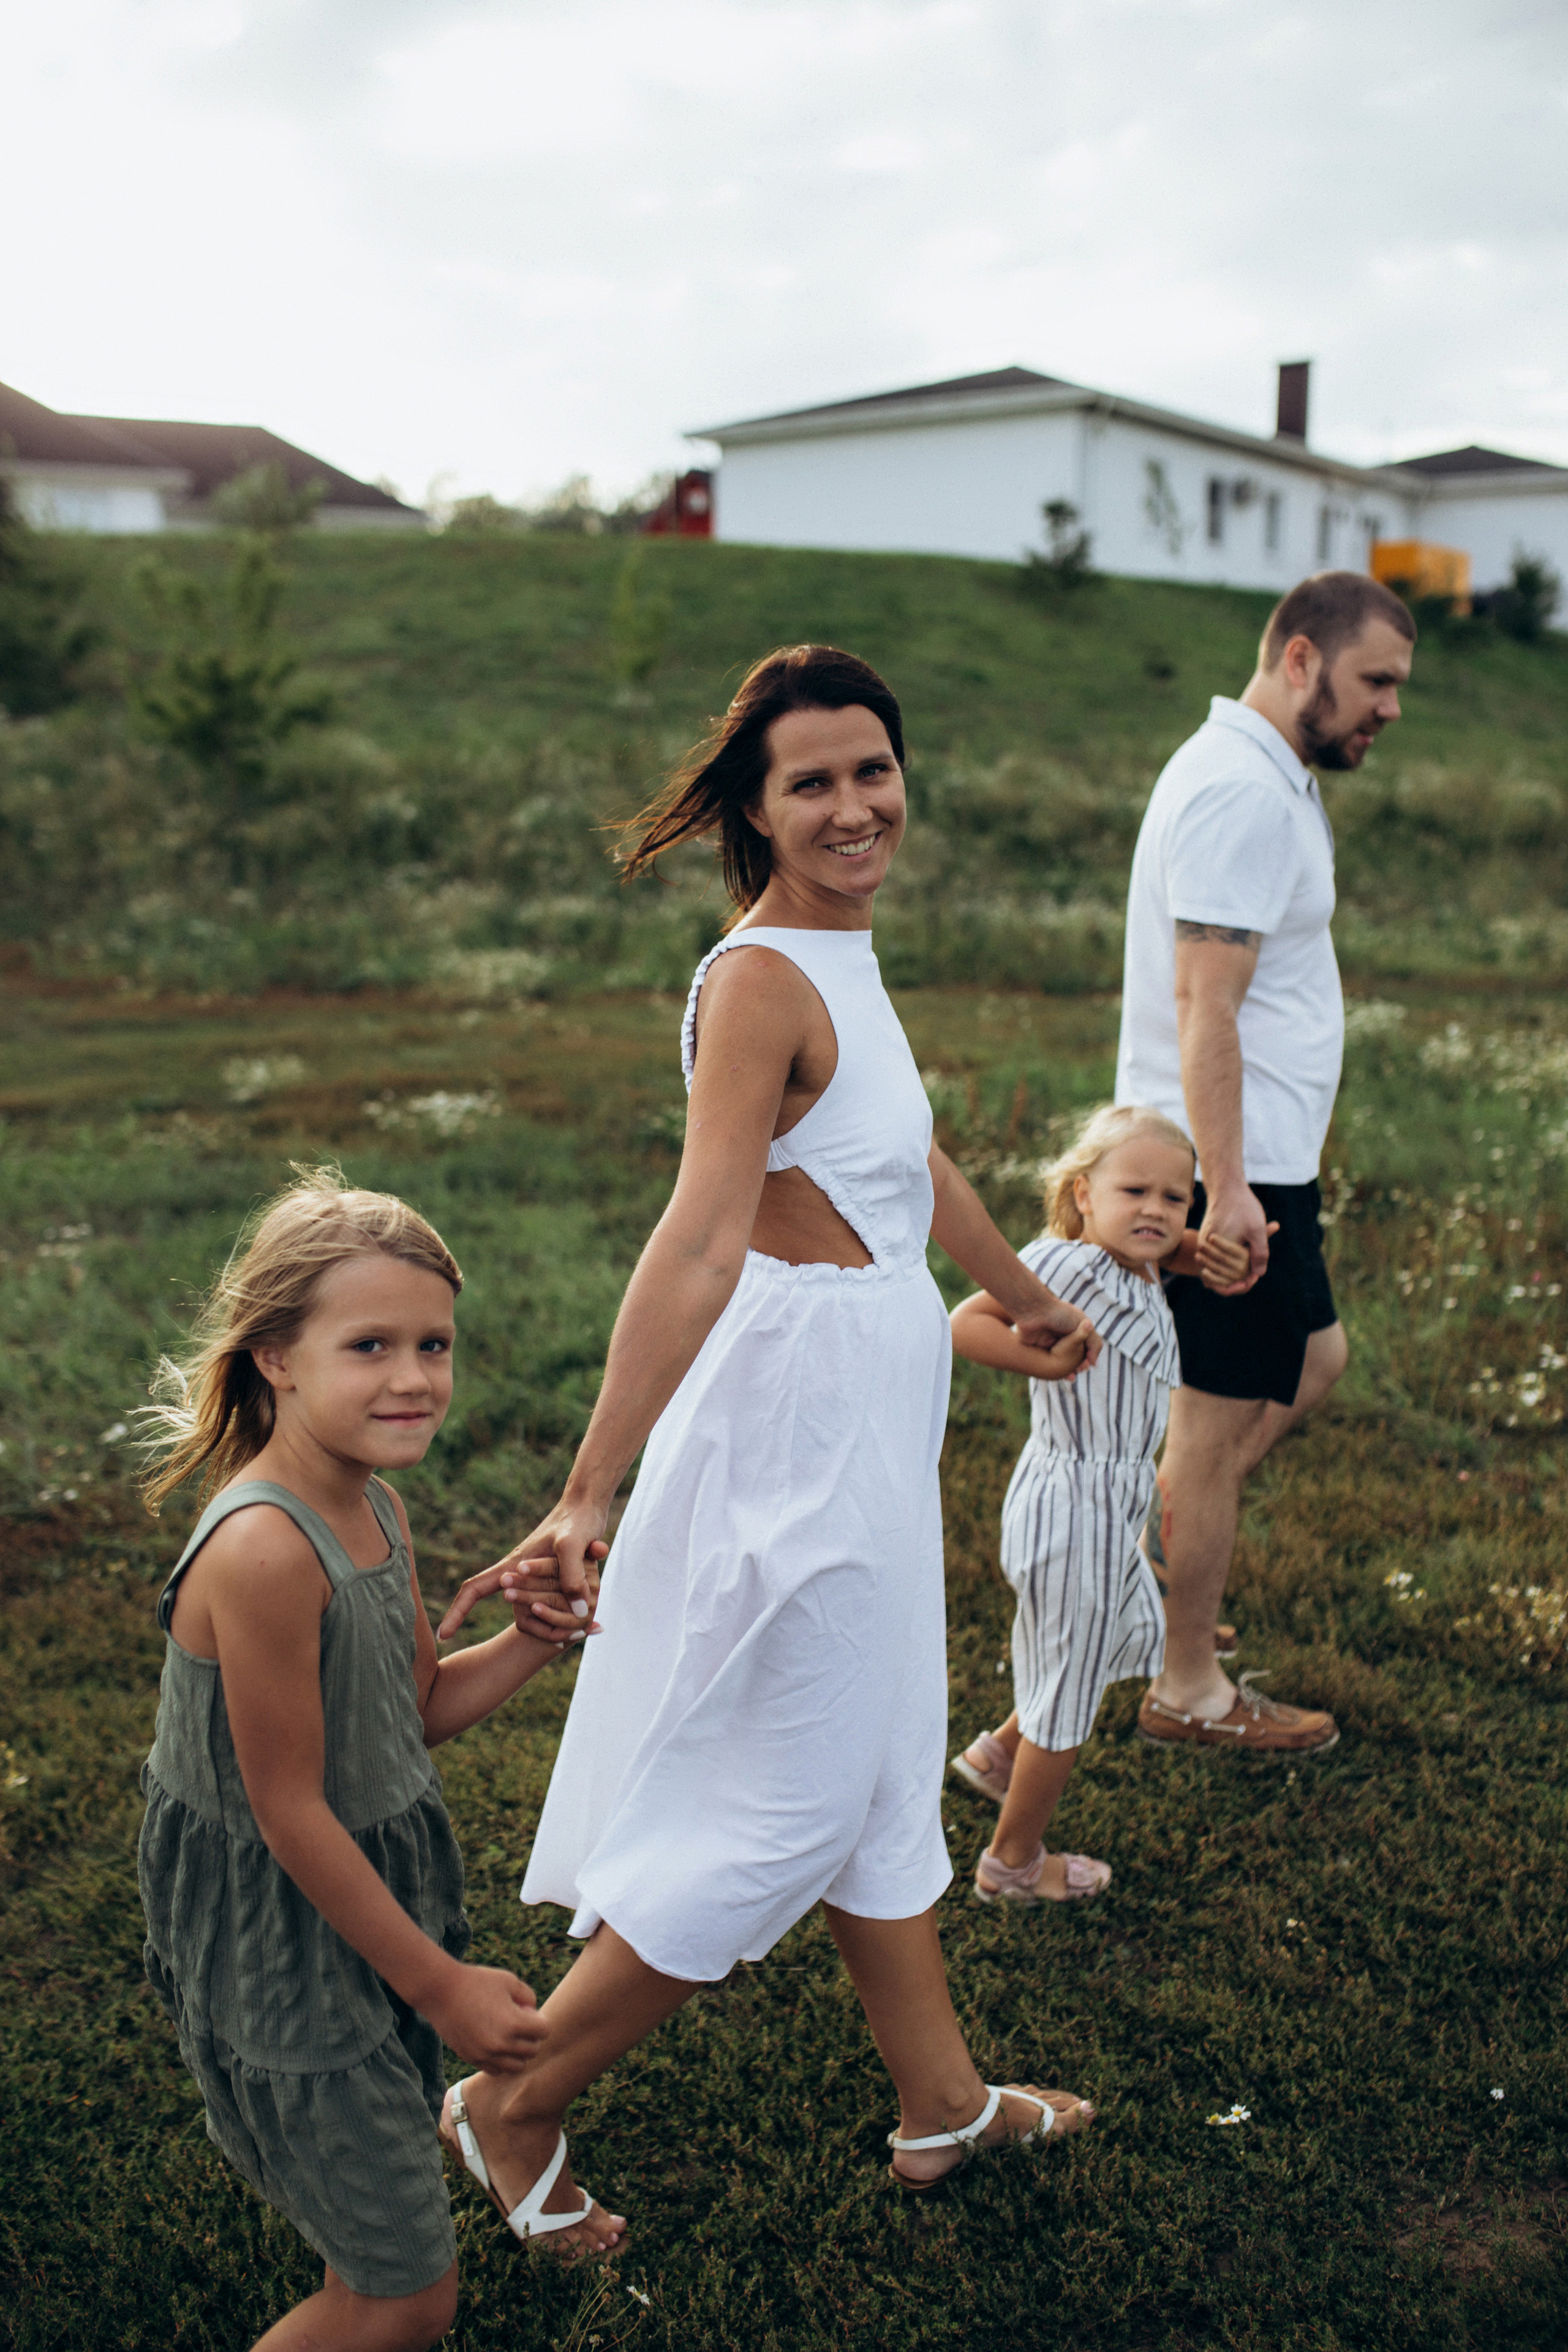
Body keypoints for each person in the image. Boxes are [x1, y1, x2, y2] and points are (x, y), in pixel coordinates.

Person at [436, 644, 1100, 2255]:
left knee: (879, 1765)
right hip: (793, 1419)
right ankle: (508, 2107)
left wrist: (1022, 1297)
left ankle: (939, 2101)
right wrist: (590, 1488)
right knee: (784, 1807)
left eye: (873, 769)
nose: (855, 804)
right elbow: (694, 1242)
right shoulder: (757, 982)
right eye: (814, 781)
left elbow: (905, 1152)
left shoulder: (846, 955)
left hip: (870, 1394)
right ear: (756, 806)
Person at [136, 1170, 596, 2352]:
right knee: (404, 2297)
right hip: (285, 1925)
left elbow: (418, 1711)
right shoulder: (263, 1550)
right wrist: (438, 1983)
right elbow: (289, 1813)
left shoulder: (372, 1505)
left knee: (376, 2184)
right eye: (371, 1345)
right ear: (276, 1357)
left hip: (368, 1895)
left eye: (434, 1344)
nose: (413, 1377)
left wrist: (533, 1644)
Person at [1115, 570, 1415, 1753]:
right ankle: (1186, 1684)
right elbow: (1205, 1005)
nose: (1390, 707)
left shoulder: (1267, 777)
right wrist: (1226, 1188)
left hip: (1261, 1155)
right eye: (1376, 681)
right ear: (1302, 658)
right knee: (1214, 1416)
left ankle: (1167, 1544)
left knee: (1316, 1357)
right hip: (1227, 1166)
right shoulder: (1240, 790)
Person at [948, 1105, 1252, 1901]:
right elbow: (963, 1324)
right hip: (1073, 1501)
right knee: (1071, 1689)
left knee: (1098, 1638)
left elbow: (1163, 1244)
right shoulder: (1074, 1266)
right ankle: (1012, 1863)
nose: (1155, 1211)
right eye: (1134, 1191)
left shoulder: (1136, 1264)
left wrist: (1207, 1248)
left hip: (1101, 1500)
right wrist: (1041, 1366)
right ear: (1083, 1195)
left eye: (1175, 1198)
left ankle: (999, 1757)